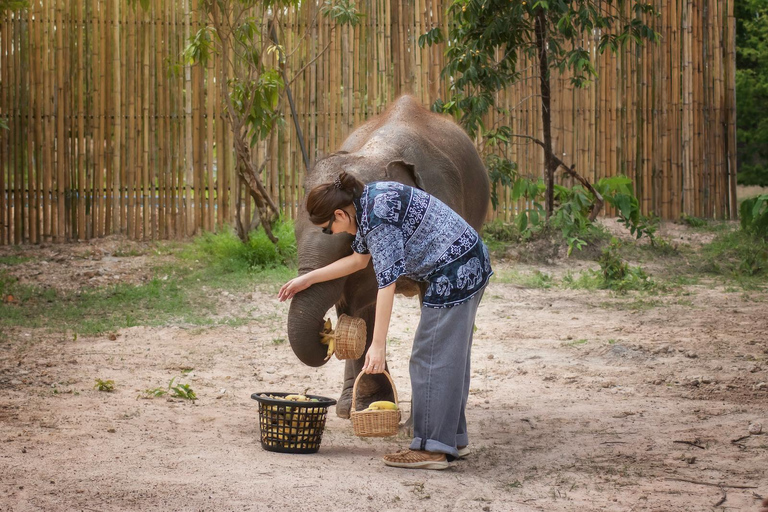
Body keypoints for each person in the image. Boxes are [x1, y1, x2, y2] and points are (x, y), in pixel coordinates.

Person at [278, 171, 492, 470]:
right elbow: (358, 261)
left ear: (340, 213)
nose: (334, 233)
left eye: (329, 229)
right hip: (467, 261)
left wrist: (376, 346)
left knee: (429, 358)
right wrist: (306, 279)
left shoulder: (377, 220)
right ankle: (451, 440)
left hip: (455, 272)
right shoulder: (368, 201)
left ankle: (432, 451)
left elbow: (387, 284)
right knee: (446, 357)